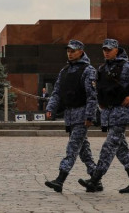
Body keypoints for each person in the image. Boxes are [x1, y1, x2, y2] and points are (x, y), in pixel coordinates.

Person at [79, 39, 129, 194]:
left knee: (109, 146)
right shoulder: (102, 68)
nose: (106, 52)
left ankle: (95, 180)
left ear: (117, 50)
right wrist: (101, 102)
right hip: (108, 114)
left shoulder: (128, 66)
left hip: (121, 113)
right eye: (104, 49)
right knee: (121, 149)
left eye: (109, 49)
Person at [43, 40, 98, 192]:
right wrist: (51, 108)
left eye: (73, 51)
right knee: (83, 150)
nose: (70, 53)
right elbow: (57, 92)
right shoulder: (65, 71)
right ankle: (96, 179)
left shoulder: (88, 70)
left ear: (81, 51)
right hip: (70, 115)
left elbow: (92, 96)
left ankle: (60, 180)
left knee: (72, 148)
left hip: (81, 115)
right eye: (68, 50)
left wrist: (89, 116)